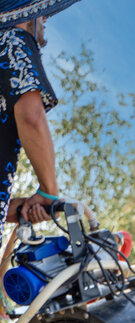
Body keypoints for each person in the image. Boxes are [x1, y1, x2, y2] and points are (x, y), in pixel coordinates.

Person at [0, 13, 60, 227]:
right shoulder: (13, 38)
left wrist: (9, 209)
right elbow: (31, 117)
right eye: (40, 11)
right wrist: (49, 191)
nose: (45, 19)